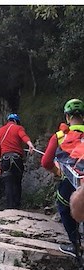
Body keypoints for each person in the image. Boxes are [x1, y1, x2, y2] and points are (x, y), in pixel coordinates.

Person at [42, 98, 84, 258]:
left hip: (71, 180)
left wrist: (57, 171)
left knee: (63, 205)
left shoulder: (59, 136)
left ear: (67, 117)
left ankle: (75, 244)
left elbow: (46, 162)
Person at [0, 113, 35, 209]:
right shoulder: (18, 128)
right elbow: (24, 136)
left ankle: (10, 207)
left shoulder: (0, 131)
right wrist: (30, 144)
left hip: (5, 160)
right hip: (17, 159)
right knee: (17, 182)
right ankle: (17, 206)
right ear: (16, 121)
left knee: (8, 183)